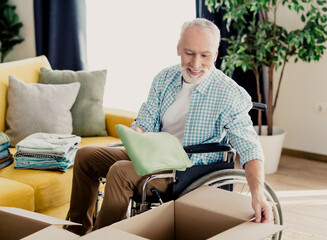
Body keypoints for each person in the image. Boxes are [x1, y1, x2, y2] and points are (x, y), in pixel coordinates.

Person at [66, 18, 272, 236]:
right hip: (152, 155)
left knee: (120, 172)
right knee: (85, 156)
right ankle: (75, 231)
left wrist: (257, 192)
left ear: (216, 53)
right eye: (189, 53)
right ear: (178, 48)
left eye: (205, 55)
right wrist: (137, 134)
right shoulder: (165, 78)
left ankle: (103, 236)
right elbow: (146, 121)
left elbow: (250, 149)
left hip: (186, 169)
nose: (195, 64)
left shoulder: (229, 94)